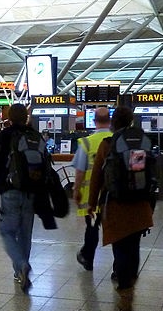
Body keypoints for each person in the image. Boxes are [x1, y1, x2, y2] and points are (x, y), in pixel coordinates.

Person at [88, 106, 155, 311]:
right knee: (133, 245)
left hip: (115, 204)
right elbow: (142, 173)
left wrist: (91, 203)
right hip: (139, 203)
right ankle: (128, 280)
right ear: (131, 121)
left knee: (120, 246)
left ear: (113, 122)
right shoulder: (142, 142)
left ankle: (124, 284)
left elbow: (97, 178)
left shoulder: (108, 144)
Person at [0, 103, 39, 293]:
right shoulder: (34, 137)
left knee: (7, 231)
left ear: (9, 118)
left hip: (8, 190)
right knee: (25, 233)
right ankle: (20, 269)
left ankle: (21, 265)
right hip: (31, 192)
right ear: (26, 117)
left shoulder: (1, 137)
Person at [72, 107, 113, 271]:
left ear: (94, 121)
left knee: (92, 227)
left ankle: (87, 258)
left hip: (93, 197)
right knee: (116, 229)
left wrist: (76, 189)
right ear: (109, 121)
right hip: (114, 194)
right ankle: (118, 269)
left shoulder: (87, 142)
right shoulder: (116, 139)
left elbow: (80, 170)